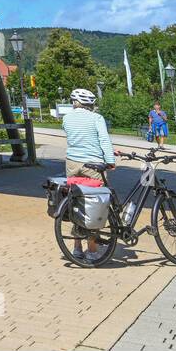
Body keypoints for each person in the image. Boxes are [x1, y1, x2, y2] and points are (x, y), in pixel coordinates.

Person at [61, 87, 117, 261]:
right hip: (92, 165)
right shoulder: (96, 118)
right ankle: (92, 250)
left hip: (72, 164)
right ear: (90, 104)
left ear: (74, 102)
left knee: (76, 203)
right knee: (95, 204)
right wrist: (110, 161)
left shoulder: (66, 118)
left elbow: (76, 138)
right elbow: (103, 140)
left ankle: (77, 247)